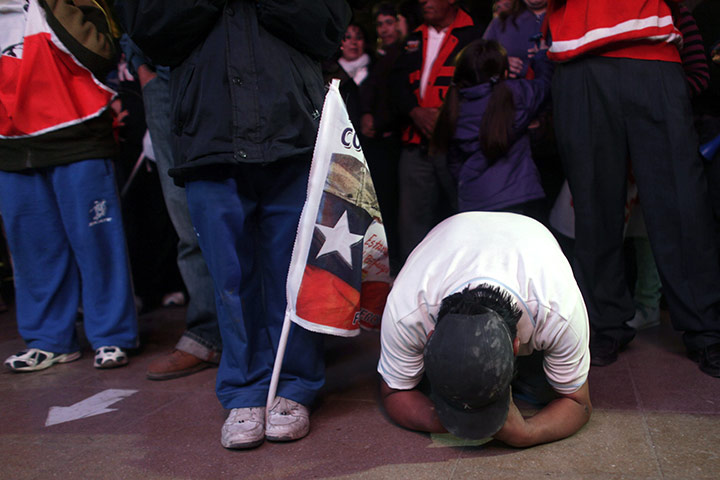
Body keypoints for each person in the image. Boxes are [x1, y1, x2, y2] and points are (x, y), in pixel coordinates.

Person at [117, 0, 352, 449]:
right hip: (208, 130)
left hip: (292, 127)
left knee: (293, 270)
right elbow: (149, 30)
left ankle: (294, 385)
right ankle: (245, 389)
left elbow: (327, 26)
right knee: (229, 274)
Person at [547, 0, 720, 376]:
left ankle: (706, 328)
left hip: (653, 51)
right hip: (579, 59)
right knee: (593, 203)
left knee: (681, 200)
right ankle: (606, 322)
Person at [0, 0, 138, 372]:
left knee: (97, 244)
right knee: (32, 250)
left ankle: (111, 334)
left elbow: (100, 54)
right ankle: (48, 340)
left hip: (78, 137)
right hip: (12, 145)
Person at [377, 211, 591, 447]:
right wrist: (438, 419)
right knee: (433, 381)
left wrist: (529, 432)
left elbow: (578, 402)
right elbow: (394, 392)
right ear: (430, 337)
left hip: (529, 234)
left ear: (516, 346)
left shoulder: (558, 311)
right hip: (450, 234)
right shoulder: (406, 310)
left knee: (543, 390)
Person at [118, 34, 222, 380]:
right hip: (160, 72)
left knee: (245, 205)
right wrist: (142, 68)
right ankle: (207, 332)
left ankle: (269, 335)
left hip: (219, 59)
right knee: (183, 211)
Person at [390, 0, 484, 261]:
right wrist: (414, 111)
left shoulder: (476, 34)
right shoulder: (414, 38)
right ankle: (412, 285)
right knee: (411, 222)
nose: (423, 1)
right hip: (415, 142)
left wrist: (448, 119)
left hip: (460, 146)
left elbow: (482, 85)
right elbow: (395, 83)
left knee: (463, 215)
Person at [431, 38, 551, 219]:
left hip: (472, 201)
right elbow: (545, 86)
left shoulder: (453, 107)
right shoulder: (515, 93)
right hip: (517, 198)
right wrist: (541, 57)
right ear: (503, 72)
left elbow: (453, 164)